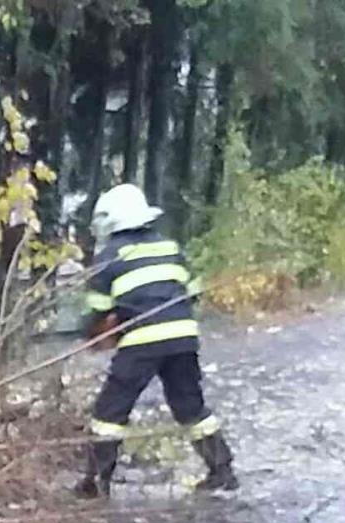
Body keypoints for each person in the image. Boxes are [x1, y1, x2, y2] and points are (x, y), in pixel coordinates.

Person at [74, 183, 237, 498]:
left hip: (141, 341)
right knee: (190, 406)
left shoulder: (108, 258)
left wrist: (96, 336)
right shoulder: (169, 247)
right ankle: (222, 470)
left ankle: (95, 482)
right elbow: (193, 292)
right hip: (183, 337)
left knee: (110, 412)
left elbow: (99, 315)